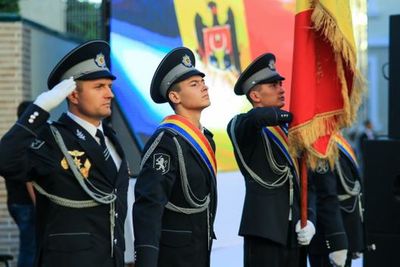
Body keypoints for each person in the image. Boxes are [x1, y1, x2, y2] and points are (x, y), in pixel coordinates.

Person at [0, 40, 130, 267]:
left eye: (109, 86)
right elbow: (5, 159)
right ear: (73, 95)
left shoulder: (111, 139)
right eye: (99, 87)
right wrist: (39, 109)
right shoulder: (51, 138)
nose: (109, 94)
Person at [227, 53, 316, 267]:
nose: (282, 89)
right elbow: (258, 118)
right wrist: (294, 115)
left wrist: (310, 218)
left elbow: (305, 181)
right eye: (274, 85)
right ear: (256, 96)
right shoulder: (243, 125)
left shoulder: (288, 131)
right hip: (264, 233)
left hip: (295, 233)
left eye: (280, 84)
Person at [133, 47, 217, 267]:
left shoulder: (206, 138)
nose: (204, 86)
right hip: (173, 258)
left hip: (199, 251)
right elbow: (149, 207)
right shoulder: (166, 142)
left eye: (202, 81)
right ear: (174, 96)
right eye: (194, 84)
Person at [308, 132, 365, 267]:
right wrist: (337, 243)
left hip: (346, 236)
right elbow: (326, 197)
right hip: (331, 243)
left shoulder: (336, 139)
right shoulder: (321, 143)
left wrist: (356, 238)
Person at [4, 101, 36, 267]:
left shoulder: (13, 138)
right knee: (30, 248)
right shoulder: (26, 142)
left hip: (15, 202)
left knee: (29, 246)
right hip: (26, 204)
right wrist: (39, 205)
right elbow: (28, 179)